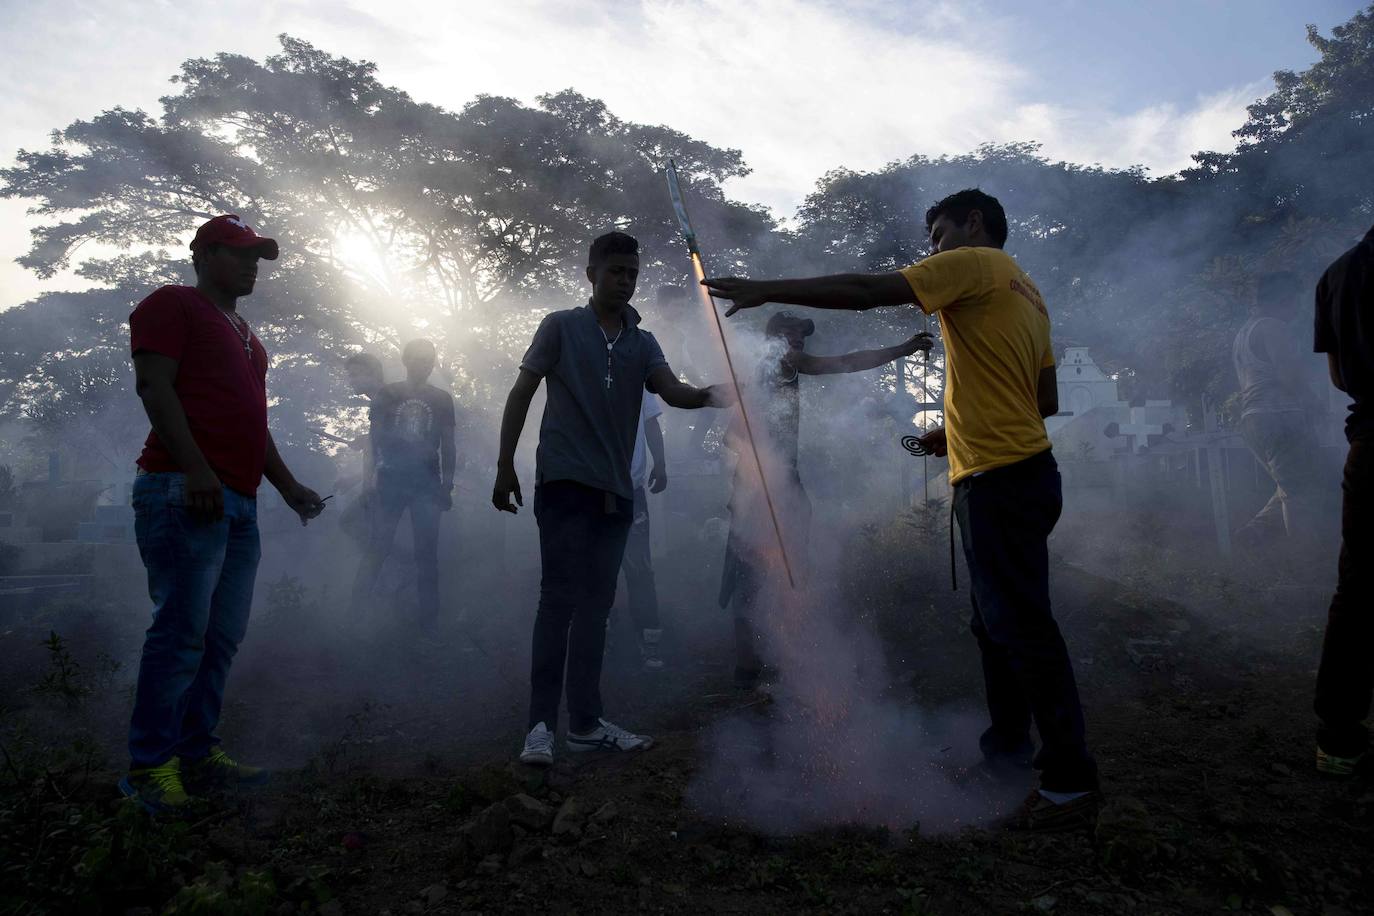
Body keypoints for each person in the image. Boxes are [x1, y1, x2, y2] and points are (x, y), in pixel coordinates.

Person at [704, 188, 1100, 831]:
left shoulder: (973, 262)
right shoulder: (1027, 290)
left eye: (939, 234)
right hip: (1018, 472)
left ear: (974, 224)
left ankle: (1069, 781)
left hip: (1001, 480)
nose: (933, 250)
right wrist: (956, 432)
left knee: (1021, 627)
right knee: (996, 625)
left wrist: (766, 287)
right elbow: (1044, 397)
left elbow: (866, 290)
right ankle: (1004, 757)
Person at [493, 231, 731, 768]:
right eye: (616, 272)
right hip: (563, 481)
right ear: (591, 274)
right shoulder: (561, 326)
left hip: (617, 490)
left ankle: (583, 723)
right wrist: (505, 464)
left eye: (632, 274)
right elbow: (522, 391)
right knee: (558, 602)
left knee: (597, 608)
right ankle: (538, 728)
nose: (625, 282)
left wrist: (716, 394)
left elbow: (675, 392)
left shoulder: (642, 344)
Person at [121, 214, 325, 814]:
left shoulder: (246, 335)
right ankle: (149, 769)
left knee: (220, 637)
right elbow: (154, 388)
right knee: (182, 633)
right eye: (238, 254)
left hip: (237, 501)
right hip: (182, 491)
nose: (250, 266)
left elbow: (252, 425)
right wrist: (197, 470)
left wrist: (286, 486)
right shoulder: (171, 305)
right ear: (203, 253)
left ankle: (196, 751)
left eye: (256, 257)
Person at [721, 311, 931, 689]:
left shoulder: (793, 371)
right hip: (756, 488)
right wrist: (761, 462)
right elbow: (732, 436)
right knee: (750, 574)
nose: (799, 342)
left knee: (791, 570)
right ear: (774, 341)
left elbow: (847, 363)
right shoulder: (758, 373)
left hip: (789, 482)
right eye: (790, 336)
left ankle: (783, 657)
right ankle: (746, 669)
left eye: (802, 337)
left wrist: (901, 349)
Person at [1312, 222, 1374, 777]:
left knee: (1358, 589)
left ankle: (1339, 738)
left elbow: (1336, 377)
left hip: (1371, 443)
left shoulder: (1337, 273)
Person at [351, 339, 456, 630]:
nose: (425, 364)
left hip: (428, 484)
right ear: (406, 360)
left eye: (430, 359)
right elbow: (373, 442)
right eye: (419, 358)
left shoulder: (442, 399)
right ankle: (354, 617)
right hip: (390, 481)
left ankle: (428, 624)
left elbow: (448, 444)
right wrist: (366, 484)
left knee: (427, 553)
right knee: (378, 547)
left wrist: (447, 484)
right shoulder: (388, 394)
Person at [1232, 271, 1325, 549]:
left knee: (1290, 483)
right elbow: (1289, 377)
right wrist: (1316, 405)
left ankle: (1254, 531)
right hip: (1278, 417)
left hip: (1252, 420)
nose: (1296, 309)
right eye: (1294, 301)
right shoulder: (1273, 327)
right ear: (1283, 298)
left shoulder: (1244, 332)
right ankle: (1304, 561)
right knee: (1299, 492)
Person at [618, 391, 668, 670]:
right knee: (597, 568)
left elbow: (650, 421)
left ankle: (649, 640)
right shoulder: (586, 364)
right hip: (592, 489)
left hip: (631, 491)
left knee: (640, 567)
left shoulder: (637, 368)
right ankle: (600, 637)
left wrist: (660, 462)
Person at [337, 352, 385, 547]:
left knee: (348, 522)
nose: (351, 381)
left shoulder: (384, 400)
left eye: (355, 375)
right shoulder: (381, 399)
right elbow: (381, 445)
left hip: (391, 483)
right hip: (389, 478)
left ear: (373, 373)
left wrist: (366, 487)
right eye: (350, 376)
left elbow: (376, 448)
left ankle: (394, 560)